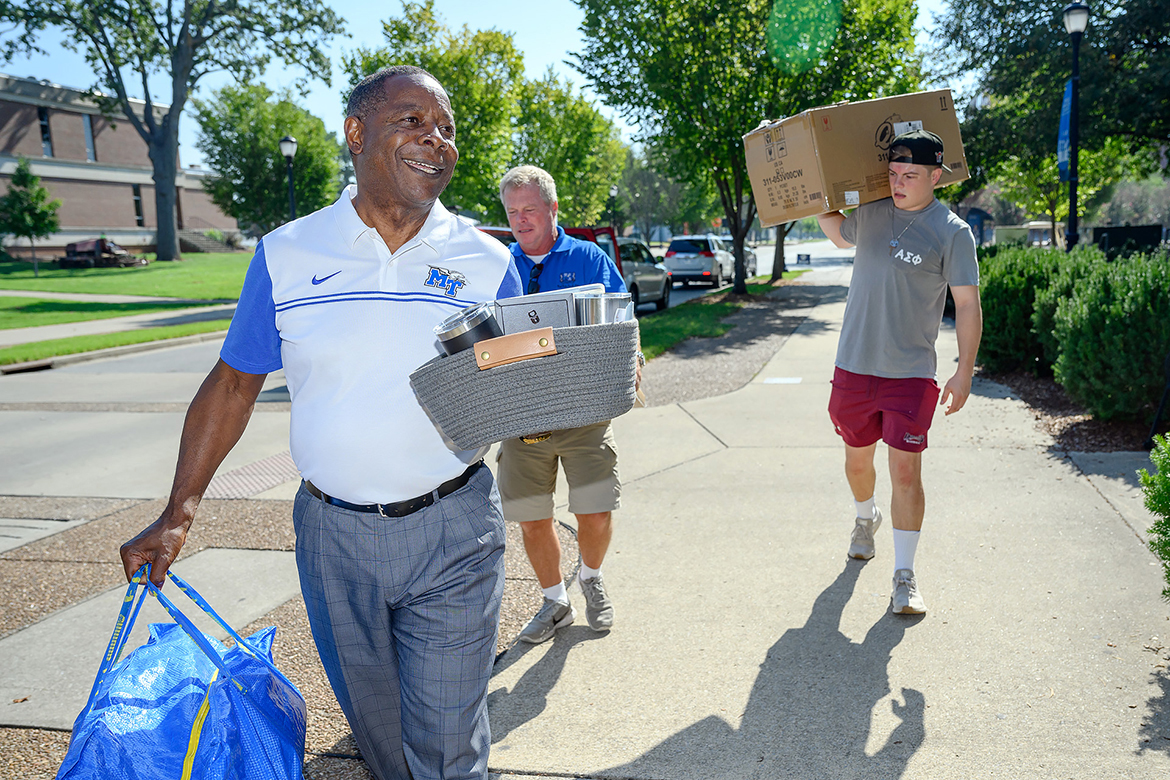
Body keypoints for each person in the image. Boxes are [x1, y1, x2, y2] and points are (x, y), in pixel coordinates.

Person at [119, 66, 522, 780]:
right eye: (413, 121)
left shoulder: (489, 263)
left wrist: (566, 392)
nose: (437, 140)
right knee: (383, 739)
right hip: (332, 537)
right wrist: (177, 513)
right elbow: (235, 382)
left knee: (449, 746)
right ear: (356, 133)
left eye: (447, 129)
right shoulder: (287, 253)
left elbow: (519, 385)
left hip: (454, 529)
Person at [816, 129, 982, 616]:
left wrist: (964, 371)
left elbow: (967, 305)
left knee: (906, 471)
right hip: (854, 366)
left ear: (936, 175)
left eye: (910, 175)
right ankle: (865, 517)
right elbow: (833, 229)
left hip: (909, 374)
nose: (899, 182)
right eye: (892, 173)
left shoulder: (952, 232)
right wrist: (808, 186)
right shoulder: (870, 213)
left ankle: (904, 576)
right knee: (857, 463)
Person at [496, 164, 636, 644]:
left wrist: (631, 357)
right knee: (532, 517)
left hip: (583, 410)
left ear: (553, 209)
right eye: (512, 212)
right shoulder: (500, 266)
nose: (520, 220)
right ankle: (555, 601)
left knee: (595, 511)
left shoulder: (589, 258)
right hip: (523, 415)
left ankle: (591, 578)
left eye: (529, 209)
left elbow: (622, 316)